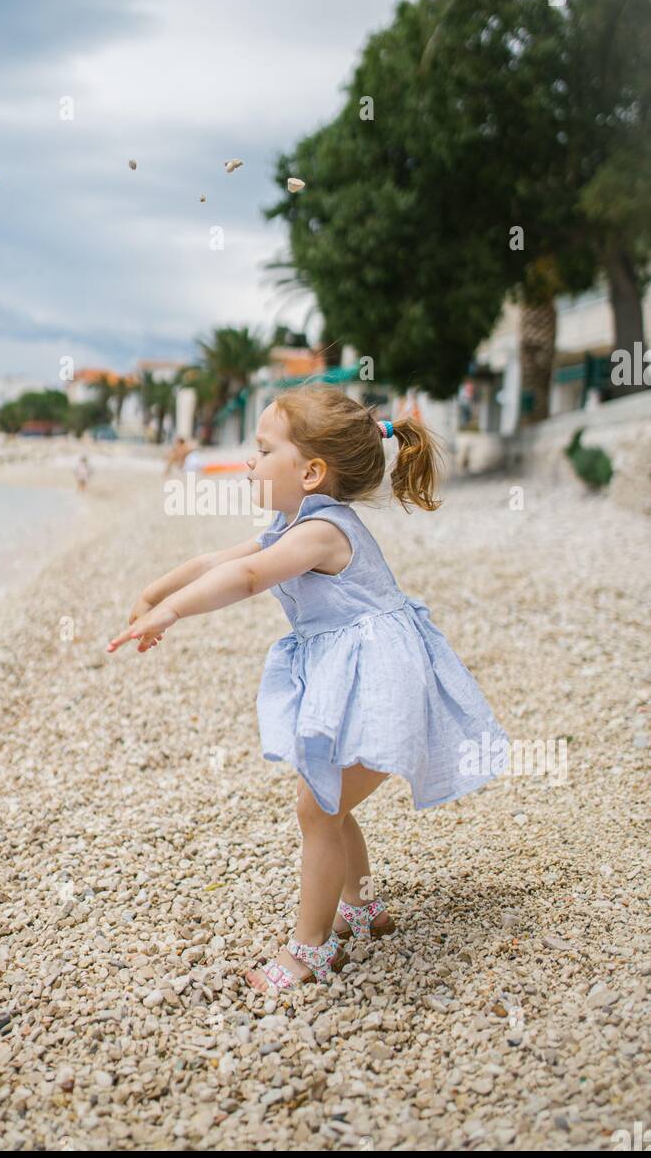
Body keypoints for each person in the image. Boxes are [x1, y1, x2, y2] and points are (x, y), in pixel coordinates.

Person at [107, 386, 511, 998]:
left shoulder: (322, 533)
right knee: (327, 799)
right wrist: (156, 594)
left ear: (311, 471)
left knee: (316, 806)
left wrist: (173, 616)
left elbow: (244, 578)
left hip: (384, 684)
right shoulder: (289, 523)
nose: (250, 461)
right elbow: (218, 558)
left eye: (263, 450)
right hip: (350, 679)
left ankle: (309, 951)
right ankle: (361, 906)